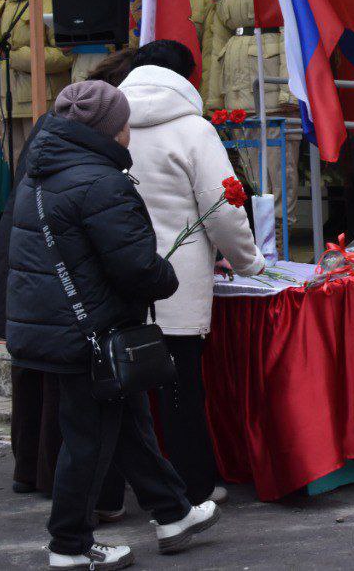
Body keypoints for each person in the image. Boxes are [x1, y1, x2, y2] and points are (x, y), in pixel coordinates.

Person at [6, 80, 219, 569]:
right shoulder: (101, 181)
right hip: (90, 334)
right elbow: (138, 268)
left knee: (125, 423)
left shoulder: (42, 171)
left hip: (55, 327)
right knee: (89, 438)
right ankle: (69, 546)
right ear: (110, 130)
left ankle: (173, 513)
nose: (129, 133)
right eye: (123, 125)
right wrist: (169, 273)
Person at [0, 48, 137, 506]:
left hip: (24, 266)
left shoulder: (56, 128)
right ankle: (56, 486)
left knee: (34, 373)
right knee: (56, 382)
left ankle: (31, 470)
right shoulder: (83, 142)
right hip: (49, 274)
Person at [119, 39, 264, 504]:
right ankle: (192, 487)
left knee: (124, 393)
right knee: (181, 391)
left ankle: (126, 488)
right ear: (187, 78)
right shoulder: (193, 129)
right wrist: (249, 261)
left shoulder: (108, 123)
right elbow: (223, 207)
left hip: (119, 274)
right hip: (177, 283)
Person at [203, 0, 299, 222]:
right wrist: (214, 97)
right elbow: (217, 38)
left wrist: (289, 90)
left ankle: (280, 236)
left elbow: (292, 31)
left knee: (278, 166)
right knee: (249, 166)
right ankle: (261, 234)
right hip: (237, 85)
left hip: (269, 81)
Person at [0, 0, 72, 166]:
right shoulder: (2, 5)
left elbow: (66, 56)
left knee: (38, 164)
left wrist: (16, 57)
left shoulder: (51, 3)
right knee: (13, 165)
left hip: (38, 100)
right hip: (5, 100)